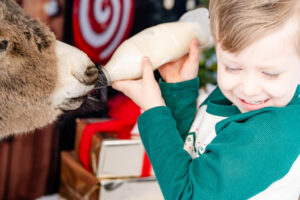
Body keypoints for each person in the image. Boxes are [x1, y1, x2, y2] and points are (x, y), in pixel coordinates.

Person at [112, 0, 300, 199]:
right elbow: (189, 158)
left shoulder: (274, 133)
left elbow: (187, 195)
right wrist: (179, 90)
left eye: (270, 73)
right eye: (232, 67)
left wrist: (153, 109)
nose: (249, 89)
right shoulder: (238, 98)